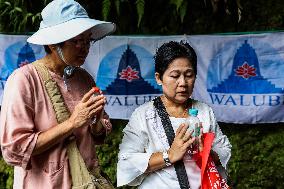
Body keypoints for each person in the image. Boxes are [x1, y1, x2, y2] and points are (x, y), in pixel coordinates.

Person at [0, 0, 115, 188]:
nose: (84, 47)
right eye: (77, 41)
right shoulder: (24, 79)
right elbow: (14, 149)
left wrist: (96, 124)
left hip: (85, 181)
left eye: (88, 40)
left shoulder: (84, 79)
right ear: (53, 44)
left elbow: (99, 134)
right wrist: (72, 123)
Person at [117, 41, 232, 189]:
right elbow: (126, 161)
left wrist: (207, 154)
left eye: (189, 75)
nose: (183, 82)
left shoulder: (204, 111)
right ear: (159, 78)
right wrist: (169, 155)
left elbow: (225, 150)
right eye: (175, 75)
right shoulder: (144, 115)